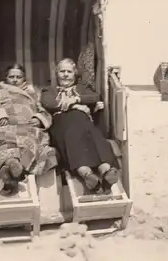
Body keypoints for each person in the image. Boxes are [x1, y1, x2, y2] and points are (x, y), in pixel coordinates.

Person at [40, 58, 120, 193]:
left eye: (69, 72)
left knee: (95, 136)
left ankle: (106, 171)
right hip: (62, 124)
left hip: (83, 123)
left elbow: (95, 96)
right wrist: (76, 106)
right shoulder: (49, 90)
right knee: (71, 136)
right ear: (57, 74)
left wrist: (77, 98)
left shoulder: (81, 89)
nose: (65, 75)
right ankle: (87, 175)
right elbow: (50, 103)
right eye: (62, 71)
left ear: (74, 74)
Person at [0, 64, 57, 195]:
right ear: (6, 77)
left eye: (18, 77)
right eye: (11, 77)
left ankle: (8, 168)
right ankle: (13, 165)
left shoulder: (33, 94)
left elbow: (44, 111)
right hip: (4, 124)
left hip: (27, 126)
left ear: (24, 78)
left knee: (29, 139)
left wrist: (38, 119)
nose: (15, 80)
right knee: (1, 136)